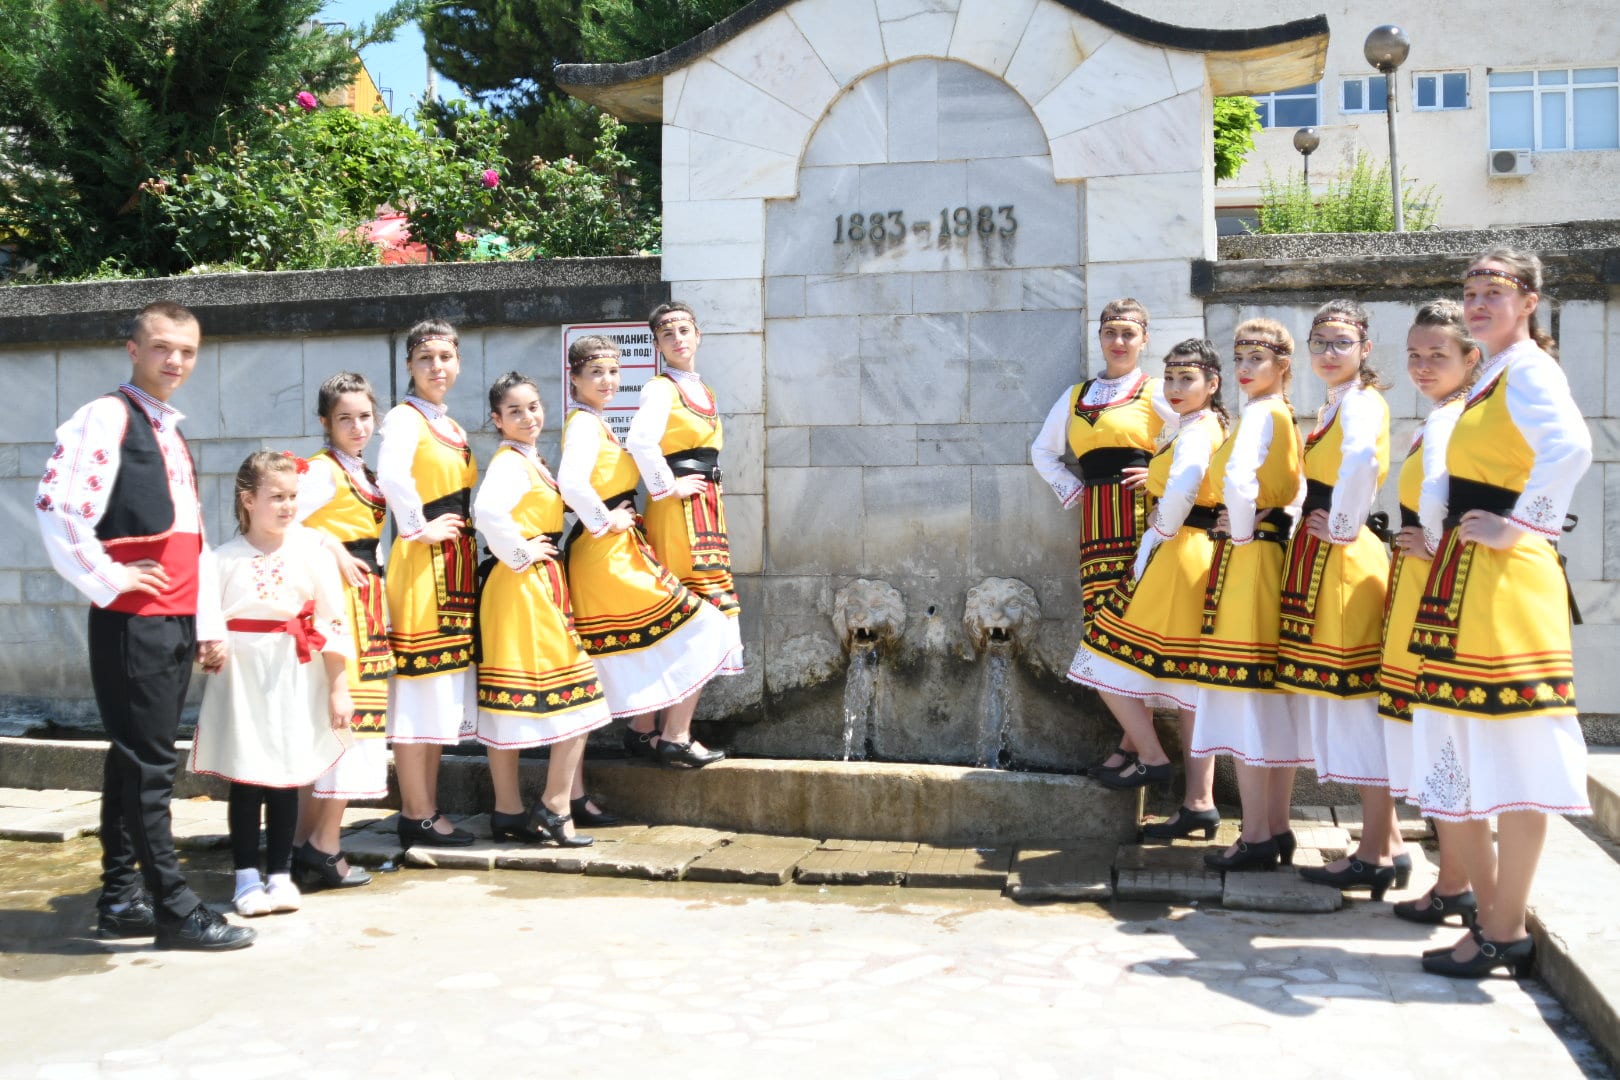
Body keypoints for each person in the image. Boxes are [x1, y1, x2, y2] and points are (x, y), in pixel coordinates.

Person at [35, 301, 254, 951]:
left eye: (187, 351)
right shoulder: (105, 417)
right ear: (133, 349)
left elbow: (192, 538)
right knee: (150, 768)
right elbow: (58, 506)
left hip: (172, 618)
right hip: (135, 621)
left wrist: (206, 621)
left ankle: (121, 897)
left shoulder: (168, 428)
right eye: (162, 347)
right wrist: (107, 578)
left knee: (133, 761)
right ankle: (174, 908)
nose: (175, 360)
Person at [1410, 248, 1592, 978]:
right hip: (1467, 576)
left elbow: (1569, 447)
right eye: (1471, 291)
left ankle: (1505, 926)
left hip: (1504, 579)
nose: (1479, 302)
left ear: (1530, 301)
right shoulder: (1492, 373)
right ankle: (1490, 917)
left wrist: (1521, 525)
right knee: (1455, 745)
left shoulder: (1529, 370)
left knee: (1513, 748)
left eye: (1496, 290)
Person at [1068, 339, 1227, 843]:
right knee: (1190, 682)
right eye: (1171, 378)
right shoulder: (1199, 426)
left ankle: (1153, 757)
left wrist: (1156, 533)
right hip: (1195, 553)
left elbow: (1184, 487)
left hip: (1177, 555)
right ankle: (1198, 802)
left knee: (1099, 655)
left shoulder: (1198, 430)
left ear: (1212, 383)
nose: (1176, 388)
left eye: (1188, 379)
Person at [557, 337, 737, 766]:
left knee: (656, 638)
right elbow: (570, 483)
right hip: (605, 554)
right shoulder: (583, 425)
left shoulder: (594, 422)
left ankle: (643, 732)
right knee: (706, 625)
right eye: (595, 372)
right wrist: (606, 520)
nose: (607, 381)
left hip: (614, 551)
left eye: (613, 372)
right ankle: (673, 735)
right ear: (574, 378)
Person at [191, 452, 355, 917]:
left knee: (287, 775)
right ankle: (246, 877)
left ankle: (280, 875)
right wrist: (209, 646)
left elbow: (333, 624)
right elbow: (205, 620)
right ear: (248, 500)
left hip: (296, 674)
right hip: (241, 679)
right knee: (247, 777)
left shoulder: (312, 555)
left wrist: (338, 686)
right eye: (276, 497)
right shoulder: (220, 560)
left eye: (292, 497)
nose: (287, 506)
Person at [1277, 300, 1403, 901]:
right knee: (1350, 702)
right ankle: (1388, 842)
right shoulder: (1337, 402)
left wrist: (1345, 526)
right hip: (1326, 556)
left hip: (1344, 561)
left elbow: (1362, 461)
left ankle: (1377, 852)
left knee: (1357, 703)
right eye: (1320, 343)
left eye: (1341, 343)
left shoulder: (1360, 402)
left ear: (1364, 349)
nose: (1329, 353)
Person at [1031, 298, 1172, 775]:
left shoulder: (1156, 390)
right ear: (1100, 338)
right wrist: (1073, 490)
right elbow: (1042, 452)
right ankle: (1134, 747)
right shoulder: (1076, 396)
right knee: (1104, 628)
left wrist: (1158, 475)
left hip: (1143, 522)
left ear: (1144, 339)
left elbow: (1198, 438)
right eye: (1110, 332)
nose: (1119, 341)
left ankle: (1140, 751)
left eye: (1128, 333)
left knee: (1132, 629)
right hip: (1096, 523)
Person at [474, 373, 613, 846]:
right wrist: (523, 551)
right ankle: (554, 805)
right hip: (524, 586)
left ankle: (507, 810)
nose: (527, 417)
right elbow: (486, 512)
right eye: (514, 411)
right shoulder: (511, 464)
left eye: (533, 407)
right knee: (582, 695)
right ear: (497, 419)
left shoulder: (527, 459)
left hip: (522, 585)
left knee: (506, 697)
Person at [1191, 320, 1309, 872]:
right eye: (1239, 358)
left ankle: (1258, 835)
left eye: (1256, 359)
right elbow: (1296, 493)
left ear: (1283, 364)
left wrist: (1238, 532)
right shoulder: (1284, 414)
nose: (1244, 368)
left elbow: (1239, 482)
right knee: (1269, 696)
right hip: (1274, 556)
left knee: (1247, 693)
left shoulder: (1263, 414)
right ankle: (1276, 828)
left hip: (1250, 560)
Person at [1379, 301, 1479, 928]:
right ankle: (1455, 878)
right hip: (1423, 581)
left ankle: (1459, 882)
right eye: (1415, 355)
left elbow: (1450, 498)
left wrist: (1435, 544)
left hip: (1438, 587)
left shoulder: (1453, 420)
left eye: (1438, 355)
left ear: (1470, 358)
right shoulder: (1445, 416)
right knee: (1433, 730)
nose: (1422, 366)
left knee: (1442, 731)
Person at [622, 302, 745, 764]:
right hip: (680, 512)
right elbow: (639, 440)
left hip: (704, 507)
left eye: (684, 329)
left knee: (681, 613)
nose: (677, 338)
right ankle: (674, 733)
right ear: (657, 344)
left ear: (698, 335)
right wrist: (666, 487)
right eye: (667, 332)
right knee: (703, 613)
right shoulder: (661, 388)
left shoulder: (702, 389)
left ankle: (643, 729)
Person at [378, 320, 479, 847]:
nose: (437, 367)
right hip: (423, 565)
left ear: (457, 362)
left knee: (440, 692)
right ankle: (415, 811)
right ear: (410, 367)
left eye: (445, 357)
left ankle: (427, 808)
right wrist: (419, 528)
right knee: (420, 690)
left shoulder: (451, 426)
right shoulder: (404, 418)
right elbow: (391, 476)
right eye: (426, 359)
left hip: (454, 563)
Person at [292, 373, 391, 889]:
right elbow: (280, 523)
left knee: (351, 722)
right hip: (338, 604)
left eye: (365, 417)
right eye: (345, 418)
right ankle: (323, 846)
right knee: (347, 723)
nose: (357, 427)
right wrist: (330, 545)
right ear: (325, 422)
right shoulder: (321, 471)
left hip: (364, 601)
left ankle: (306, 845)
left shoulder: (359, 470)